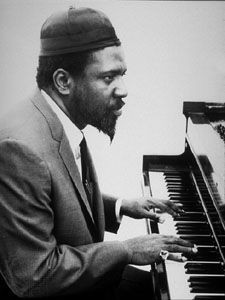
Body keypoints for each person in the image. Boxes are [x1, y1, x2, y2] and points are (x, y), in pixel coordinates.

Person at [0, 6, 197, 299]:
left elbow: (54, 197)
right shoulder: (21, 150)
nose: (123, 90)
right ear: (63, 81)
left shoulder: (51, 116)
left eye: (122, 74)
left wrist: (121, 206)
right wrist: (126, 250)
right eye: (108, 78)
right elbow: (34, 276)